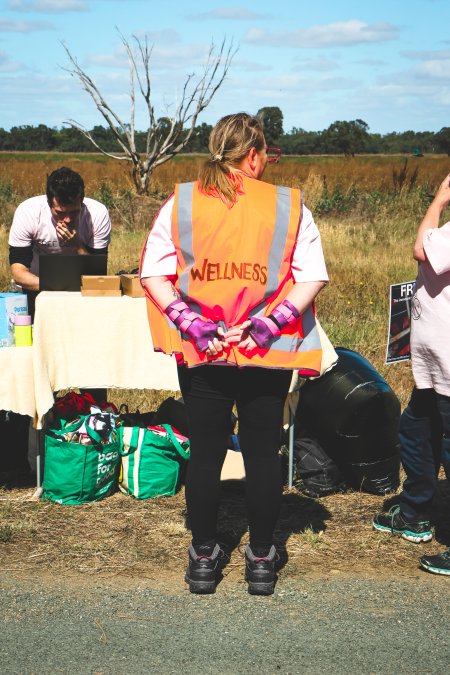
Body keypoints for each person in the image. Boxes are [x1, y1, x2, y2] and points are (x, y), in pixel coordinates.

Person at [140, 112, 329, 595]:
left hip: (204, 350)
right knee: (264, 455)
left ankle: (203, 557)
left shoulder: (180, 201)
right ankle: (262, 558)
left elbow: (152, 274)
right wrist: (267, 324)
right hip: (266, 351)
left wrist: (192, 323)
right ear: (253, 155)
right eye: (266, 154)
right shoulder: (289, 205)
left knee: (204, 454)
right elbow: (312, 277)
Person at [373, 173, 450, 576]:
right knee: (417, 431)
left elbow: (422, 249)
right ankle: (415, 511)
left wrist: (438, 201)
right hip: (437, 368)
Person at [8, 166, 111, 316]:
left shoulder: (97, 214)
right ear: (48, 203)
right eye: (60, 213)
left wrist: (77, 245)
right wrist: (56, 286)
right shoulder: (28, 212)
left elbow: (98, 274)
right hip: (36, 284)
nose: (67, 219)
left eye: (74, 212)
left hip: (81, 289)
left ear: (82, 201)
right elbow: (18, 272)